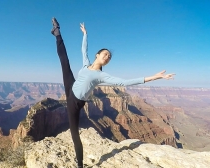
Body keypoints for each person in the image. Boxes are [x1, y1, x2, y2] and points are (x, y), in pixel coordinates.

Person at [50, 17, 175, 168]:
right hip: (71, 86)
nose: (107, 57)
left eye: (109, 57)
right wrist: (85, 34)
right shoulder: (86, 65)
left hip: (74, 102)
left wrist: (156, 77)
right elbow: (84, 50)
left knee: (74, 134)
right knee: (64, 60)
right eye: (105, 54)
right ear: (98, 55)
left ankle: (80, 165)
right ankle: (57, 32)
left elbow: (126, 82)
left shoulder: (101, 76)